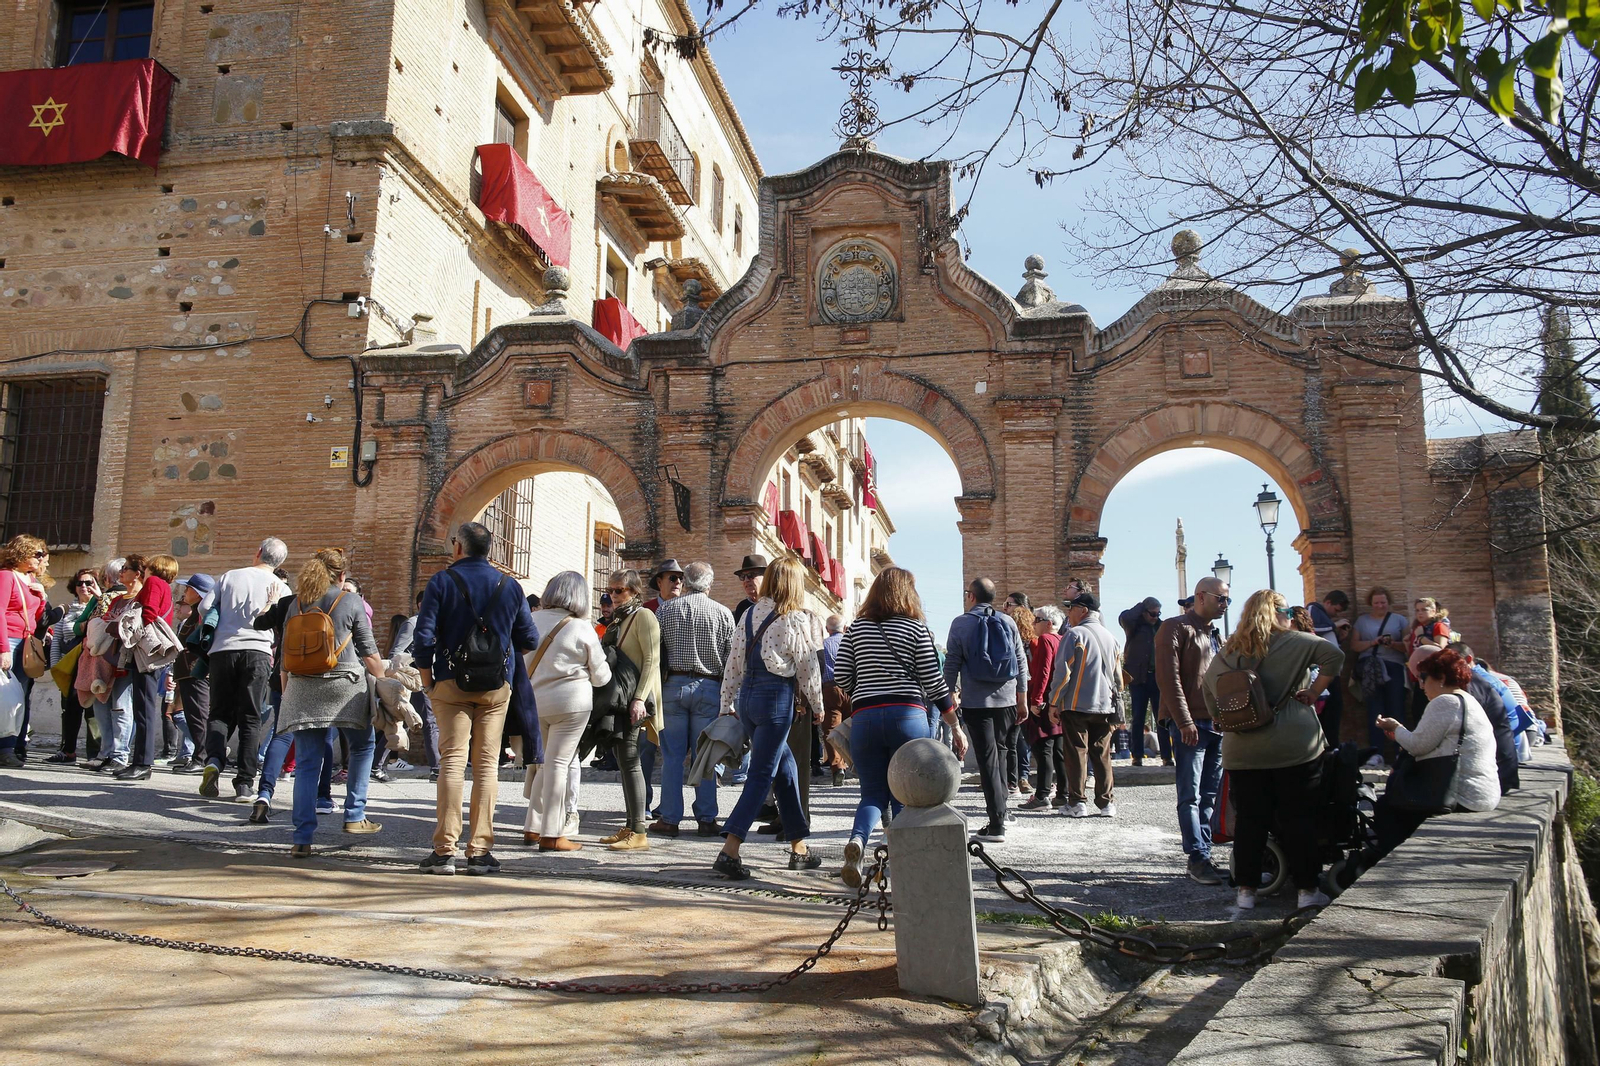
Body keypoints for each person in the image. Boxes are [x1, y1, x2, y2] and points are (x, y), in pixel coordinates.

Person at [1202, 589, 1345, 911]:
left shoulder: (1228, 651)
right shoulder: (1297, 642)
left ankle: (1246, 892)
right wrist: (1313, 690)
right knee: (1298, 818)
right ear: (1280, 612)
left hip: (1242, 749)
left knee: (1251, 821)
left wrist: (1224, 718)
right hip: (1294, 746)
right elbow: (1335, 657)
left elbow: (1209, 690)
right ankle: (1307, 890)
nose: (1292, 616)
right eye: (1290, 611)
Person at [413, 521, 539, 875]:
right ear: (489, 550)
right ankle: (480, 851)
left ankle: (444, 851)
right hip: (496, 686)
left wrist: (428, 682)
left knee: (452, 762)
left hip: (450, 682)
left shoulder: (441, 582)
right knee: (486, 766)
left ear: (458, 547)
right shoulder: (510, 585)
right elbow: (529, 638)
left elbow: (423, 639)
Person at [834, 567, 963, 886]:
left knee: (872, 793)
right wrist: (955, 726)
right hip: (908, 716)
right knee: (907, 794)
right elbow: (935, 683)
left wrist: (864, 686)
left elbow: (840, 677)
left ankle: (858, 841)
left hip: (865, 717)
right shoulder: (916, 629)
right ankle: (903, 863)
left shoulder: (856, 630)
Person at [714, 556, 826, 879]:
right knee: (762, 774)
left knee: (786, 769)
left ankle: (798, 848)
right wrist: (817, 706)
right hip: (776, 699)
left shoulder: (749, 614)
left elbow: (733, 663)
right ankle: (730, 848)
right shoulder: (794, 619)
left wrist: (726, 703)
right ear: (793, 584)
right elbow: (808, 667)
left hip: (748, 698)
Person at [276, 549, 388, 857]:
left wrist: (288, 692)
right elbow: (368, 651)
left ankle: (301, 837)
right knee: (364, 746)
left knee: (308, 763)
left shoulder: (296, 603)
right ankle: (354, 815)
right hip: (345, 686)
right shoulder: (350, 600)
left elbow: (285, 658)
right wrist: (384, 681)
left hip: (302, 688)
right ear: (340, 575)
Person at [1371, 648, 1500, 858]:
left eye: (1423, 678)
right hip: (1482, 791)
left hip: (1464, 794)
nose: (1420, 685)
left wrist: (1395, 727)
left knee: (1387, 806)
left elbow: (1418, 745)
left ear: (1440, 678)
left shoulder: (1445, 702)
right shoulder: (1467, 700)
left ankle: (1389, 859)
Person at [523, 571, 611, 851]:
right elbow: (601, 677)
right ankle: (552, 833)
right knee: (558, 764)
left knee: (544, 764)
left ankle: (532, 827)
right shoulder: (582, 627)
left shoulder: (531, 621)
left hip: (535, 702)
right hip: (571, 704)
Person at [202, 537, 291, 800]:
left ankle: (214, 761)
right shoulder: (281, 587)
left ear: (258, 552)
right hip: (258, 653)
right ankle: (244, 783)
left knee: (218, 712)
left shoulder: (230, 576)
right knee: (250, 717)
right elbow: (284, 621)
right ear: (280, 562)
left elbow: (205, 606)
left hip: (222, 650)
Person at [652, 561, 735, 838]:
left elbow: (656, 654)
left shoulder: (666, 612)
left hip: (672, 685)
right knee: (706, 758)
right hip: (710, 686)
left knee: (672, 756)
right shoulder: (724, 614)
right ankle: (707, 818)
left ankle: (670, 818)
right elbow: (730, 660)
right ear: (709, 585)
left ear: (684, 583)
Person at [1156, 576, 1228, 884]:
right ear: (1200, 597)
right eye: (1221, 599)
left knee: (1210, 794)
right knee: (1191, 794)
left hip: (1217, 724)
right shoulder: (1175, 628)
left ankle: (1205, 853)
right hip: (1191, 724)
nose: (1225, 605)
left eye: (1228, 600)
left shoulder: (1215, 634)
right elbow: (1168, 678)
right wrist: (1183, 721)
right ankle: (1197, 857)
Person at [944, 577, 1029, 842]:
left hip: (976, 702)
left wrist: (947, 696)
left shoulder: (961, 623)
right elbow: (1020, 661)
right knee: (1001, 754)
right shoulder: (1008, 621)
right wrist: (1022, 698)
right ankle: (1002, 813)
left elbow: (952, 663)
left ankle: (997, 824)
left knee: (988, 760)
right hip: (1007, 701)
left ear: (971, 596)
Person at [595, 568, 661, 851]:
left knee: (631, 762)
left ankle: (639, 832)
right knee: (624, 762)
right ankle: (631, 825)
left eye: (619, 590)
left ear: (634, 591)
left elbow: (651, 660)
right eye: (610, 590)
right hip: (620, 698)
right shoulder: (618, 620)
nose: (613, 595)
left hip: (634, 700)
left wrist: (639, 699)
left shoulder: (643, 615)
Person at [1049, 591, 1119, 819]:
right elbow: (1119, 677)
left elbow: (1063, 672)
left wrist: (1054, 702)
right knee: (1102, 754)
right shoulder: (1111, 637)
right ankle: (1106, 803)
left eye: (1072, 608)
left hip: (1077, 703)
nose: (1069, 613)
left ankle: (1077, 802)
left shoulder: (1074, 634)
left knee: (1077, 752)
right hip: (1106, 705)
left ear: (1083, 611)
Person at [115, 554, 178, 781]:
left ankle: (142, 763)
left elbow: (148, 613)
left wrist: (131, 630)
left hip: (145, 652)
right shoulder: (166, 586)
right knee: (144, 707)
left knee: (144, 709)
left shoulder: (153, 583)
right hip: (152, 653)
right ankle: (139, 762)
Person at [0, 535, 50, 766]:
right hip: (8, 640)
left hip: (25, 643)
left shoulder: (30, 580)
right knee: (4, 697)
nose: (41, 559)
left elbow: (36, 618)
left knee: (17, 697)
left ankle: (10, 746)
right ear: (21, 553)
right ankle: (6, 748)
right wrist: (3, 648)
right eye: (37, 554)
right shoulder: (6, 576)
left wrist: (42, 597)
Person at [1447, 642, 1520, 795]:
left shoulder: (1477, 682)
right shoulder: (1479, 678)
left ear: (1467, 659)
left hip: (1499, 769)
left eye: (1452, 659)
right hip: (1503, 757)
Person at [45, 569, 99, 764]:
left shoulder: (100, 608)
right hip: (69, 667)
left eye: (89, 582)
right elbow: (57, 640)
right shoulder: (67, 610)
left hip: (92, 665)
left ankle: (95, 754)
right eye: (80, 583)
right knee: (69, 710)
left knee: (93, 711)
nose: (84, 586)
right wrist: (56, 668)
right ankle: (67, 751)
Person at [1350, 587, 1408, 767]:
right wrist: (1372, 642)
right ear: (1370, 603)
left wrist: (1392, 644)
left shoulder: (1399, 620)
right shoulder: (1362, 621)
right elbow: (1354, 646)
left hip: (1394, 667)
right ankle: (1376, 753)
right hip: (1370, 670)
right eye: (1376, 603)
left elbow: (1407, 647)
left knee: (1397, 709)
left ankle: (1401, 753)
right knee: (1375, 712)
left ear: (1388, 602)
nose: (1380, 605)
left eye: (1383, 602)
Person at [170, 572, 217, 773]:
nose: (184, 592)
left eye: (188, 589)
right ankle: (201, 755)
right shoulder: (195, 613)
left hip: (197, 673)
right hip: (187, 673)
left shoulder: (204, 614)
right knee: (192, 715)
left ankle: (202, 758)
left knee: (199, 716)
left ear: (198, 593)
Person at [1020, 606, 1065, 809]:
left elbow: (1043, 672)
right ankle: (1063, 794)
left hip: (1045, 699)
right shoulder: (1063, 640)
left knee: (1043, 748)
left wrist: (1036, 699)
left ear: (1049, 623)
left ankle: (1042, 796)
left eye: (1037, 619)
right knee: (1058, 750)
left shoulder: (1046, 640)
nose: (1033, 623)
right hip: (1059, 701)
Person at [1118, 596, 1170, 767]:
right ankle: (1137, 755)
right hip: (1138, 677)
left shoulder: (1161, 627)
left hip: (1157, 677)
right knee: (1138, 717)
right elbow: (1124, 617)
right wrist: (1140, 606)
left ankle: (1167, 756)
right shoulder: (1134, 625)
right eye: (1152, 613)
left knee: (1161, 717)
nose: (1155, 617)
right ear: (1144, 612)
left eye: (1158, 614)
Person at [1306, 590, 1351, 749]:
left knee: (1334, 712)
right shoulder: (1313, 609)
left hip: (1332, 675)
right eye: (1335, 610)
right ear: (1328, 603)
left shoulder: (1325, 619)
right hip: (1322, 675)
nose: (1335, 614)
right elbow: (1309, 629)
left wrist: (1339, 638)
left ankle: (1332, 748)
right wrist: (1333, 625)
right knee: (1327, 714)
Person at [1004, 605, 1037, 793]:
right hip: (1029, 694)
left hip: (1015, 694)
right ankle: (1022, 778)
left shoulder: (1012, 643)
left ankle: (1013, 780)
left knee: (1012, 739)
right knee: (1023, 739)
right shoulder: (1034, 642)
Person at [819, 613, 848, 786]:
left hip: (830, 688)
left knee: (830, 729)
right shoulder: (853, 643)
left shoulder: (823, 645)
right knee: (856, 725)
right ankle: (857, 765)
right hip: (852, 687)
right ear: (844, 628)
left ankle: (837, 767)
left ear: (827, 629)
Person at [732, 554, 768, 622]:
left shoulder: (775, 604)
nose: (746, 580)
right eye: (742, 576)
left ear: (765, 577)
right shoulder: (742, 607)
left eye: (750, 575)